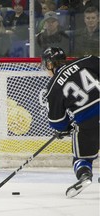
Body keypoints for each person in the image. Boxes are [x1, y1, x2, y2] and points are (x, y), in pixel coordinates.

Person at [41, 47, 99, 198]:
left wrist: (65, 128)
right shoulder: (87, 60)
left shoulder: (53, 87)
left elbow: (56, 121)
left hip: (88, 122)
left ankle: (85, 175)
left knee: (82, 158)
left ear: (49, 64)